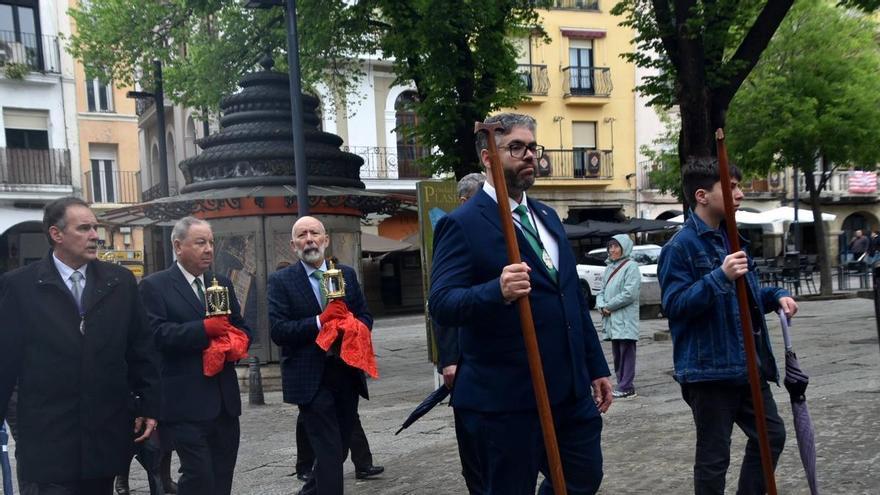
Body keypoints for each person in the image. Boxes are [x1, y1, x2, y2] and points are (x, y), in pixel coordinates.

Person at [430, 113, 613, 495]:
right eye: (516, 147)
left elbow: (572, 302)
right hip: (507, 398)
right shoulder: (463, 223)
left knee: (584, 477)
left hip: (568, 392)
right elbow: (442, 303)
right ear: (488, 158)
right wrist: (495, 290)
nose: (529, 155)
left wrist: (595, 366)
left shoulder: (546, 216)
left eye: (532, 147)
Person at [0, 196, 160, 495]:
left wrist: (148, 404)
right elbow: (5, 359)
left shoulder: (119, 282)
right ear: (56, 234)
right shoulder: (20, 286)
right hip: (47, 435)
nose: (94, 236)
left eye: (95, 227)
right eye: (84, 228)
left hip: (103, 432)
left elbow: (140, 348)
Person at [658, 158, 799, 495]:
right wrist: (718, 276)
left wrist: (775, 296)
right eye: (731, 186)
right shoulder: (679, 247)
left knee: (771, 436)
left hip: (749, 366)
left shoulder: (732, 239)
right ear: (703, 195)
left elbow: (743, 297)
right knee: (713, 458)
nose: (739, 193)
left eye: (739, 185)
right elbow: (675, 306)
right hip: (709, 372)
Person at [139, 217, 251, 495]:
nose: (209, 249)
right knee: (198, 477)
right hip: (185, 402)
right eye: (200, 243)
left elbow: (240, 326)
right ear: (178, 246)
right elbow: (156, 335)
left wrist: (238, 341)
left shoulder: (221, 283)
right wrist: (202, 330)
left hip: (224, 403)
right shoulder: (155, 286)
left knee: (222, 476)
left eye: (211, 242)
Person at [268, 216, 375, 495]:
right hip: (310, 377)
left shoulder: (346, 275)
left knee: (337, 451)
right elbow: (279, 330)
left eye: (314, 233)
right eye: (302, 235)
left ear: (326, 240)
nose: (309, 239)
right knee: (328, 450)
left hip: (346, 373)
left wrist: (354, 326)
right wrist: (320, 321)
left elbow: (365, 315)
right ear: (293, 245)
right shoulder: (281, 281)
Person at [434, 172, 486, 494]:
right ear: (465, 201)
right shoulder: (453, 228)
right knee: (472, 437)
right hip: (464, 358)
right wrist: (449, 359)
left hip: (492, 354)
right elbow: (442, 302)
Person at [595, 234, 642, 399]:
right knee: (617, 353)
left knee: (627, 351)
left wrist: (609, 305)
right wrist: (601, 305)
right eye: (610, 246)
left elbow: (630, 293)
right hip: (611, 318)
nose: (612, 250)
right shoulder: (609, 267)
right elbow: (601, 291)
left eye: (616, 246)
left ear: (624, 248)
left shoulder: (631, 267)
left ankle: (627, 386)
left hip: (624, 317)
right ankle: (622, 384)